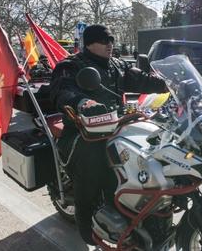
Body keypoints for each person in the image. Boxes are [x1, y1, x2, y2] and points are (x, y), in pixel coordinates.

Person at [50, 24, 167, 244]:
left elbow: (142, 78)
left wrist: (170, 84)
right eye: (105, 41)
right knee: (92, 165)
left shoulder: (117, 64)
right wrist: (82, 102)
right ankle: (87, 229)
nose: (110, 45)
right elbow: (62, 91)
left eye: (111, 41)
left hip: (115, 125)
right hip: (83, 132)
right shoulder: (70, 66)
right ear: (89, 44)